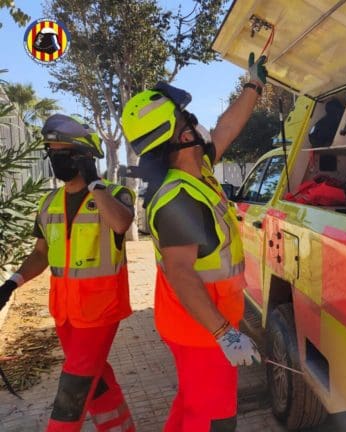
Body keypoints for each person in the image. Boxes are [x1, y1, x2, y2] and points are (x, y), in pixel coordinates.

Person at [120, 55, 267, 431]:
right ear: (181, 134)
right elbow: (181, 273)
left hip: (199, 327)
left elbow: (226, 129)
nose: (196, 123)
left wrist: (253, 87)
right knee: (214, 420)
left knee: (190, 409)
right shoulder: (178, 199)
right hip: (202, 333)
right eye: (188, 118)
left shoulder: (195, 169)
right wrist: (225, 335)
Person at [0, 114, 136, 432]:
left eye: (63, 153)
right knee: (97, 378)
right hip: (65, 313)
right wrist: (12, 282)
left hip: (100, 310)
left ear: (84, 156)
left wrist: (94, 183)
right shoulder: (48, 204)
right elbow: (40, 254)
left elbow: (121, 223)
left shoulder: (115, 195)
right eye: (52, 153)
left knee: (73, 386)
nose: (55, 159)